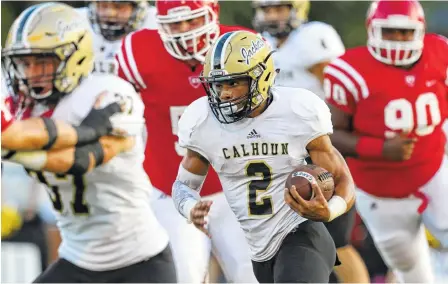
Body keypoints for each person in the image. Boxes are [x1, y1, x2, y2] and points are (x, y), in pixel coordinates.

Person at [2, 3, 175, 282]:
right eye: (24, 62)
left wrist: (16, 150)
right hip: (77, 259)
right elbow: (11, 134)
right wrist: (84, 130)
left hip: (140, 261)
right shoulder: (24, 106)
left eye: (42, 62)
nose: (31, 73)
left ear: (74, 58)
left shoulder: (107, 93)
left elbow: (82, 159)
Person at [172, 30, 356, 283]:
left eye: (233, 82)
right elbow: (183, 185)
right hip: (259, 252)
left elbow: (341, 177)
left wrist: (329, 210)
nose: (223, 94)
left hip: (301, 233)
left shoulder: (296, 110)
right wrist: (190, 207)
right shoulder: (203, 121)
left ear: (262, 76)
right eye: (218, 84)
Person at [115, 0, 256, 282]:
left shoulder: (244, 46)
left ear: (212, 12)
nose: (183, 32)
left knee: (251, 275)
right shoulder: (137, 50)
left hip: (234, 189)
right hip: (170, 190)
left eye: (191, 21)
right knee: (183, 276)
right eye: (174, 24)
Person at [324, 0, 448, 282]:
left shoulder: (440, 52)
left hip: (432, 171)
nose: (398, 39)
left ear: (420, 31)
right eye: (390, 31)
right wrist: (378, 149)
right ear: (372, 30)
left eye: (405, 32)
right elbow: (330, 133)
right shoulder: (349, 70)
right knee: (411, 270)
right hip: (380, 190)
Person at [253, 1, 369, 282]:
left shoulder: (313, 38)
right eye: (267, 10)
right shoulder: (257, 44)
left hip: (318, 150)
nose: (272, 16)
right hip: (279, 154)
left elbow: (340, 94)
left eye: (279, 9)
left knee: (335, 237)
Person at [77, 1, 156, 75]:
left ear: (136, 8)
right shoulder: (76, 21)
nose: (110, 13)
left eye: (119, 7)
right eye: (104, 6)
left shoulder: (156, 23)